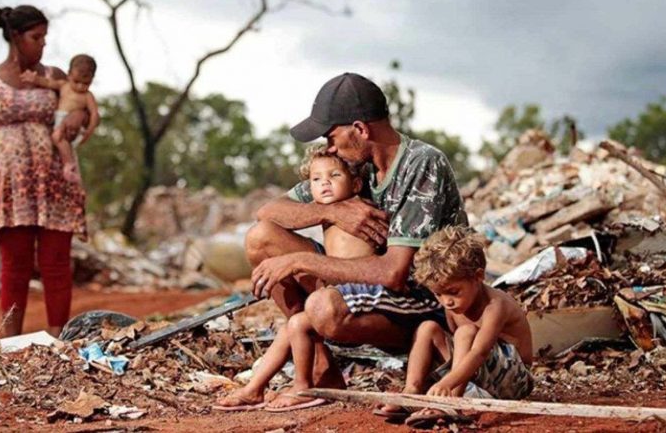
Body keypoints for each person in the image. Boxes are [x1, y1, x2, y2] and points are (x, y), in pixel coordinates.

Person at [245, 72, 468, 411]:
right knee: (260, 238)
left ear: (361, 130)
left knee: (322, 307)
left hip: (422, 302)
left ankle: (329, 338)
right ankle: (323, 370)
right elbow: (269, 211)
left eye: (332, 137)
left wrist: (300, 261)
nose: (329, 148)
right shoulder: (351, 166)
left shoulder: (423, 164)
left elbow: (395, 273)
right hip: (364, 290)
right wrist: (331, 213)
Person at [0, 5, 87, 338]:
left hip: (55, 183)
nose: (43, 44)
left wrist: (76, 118)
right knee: (15, 267)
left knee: (56, 263)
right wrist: (1, 159)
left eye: (45, 37)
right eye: (36, 37)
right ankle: (10, 346)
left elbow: (81, 105)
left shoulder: (55, 76)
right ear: (15, 37)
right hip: (11, 188)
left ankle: (59, 341)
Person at [214, 145, 374, 411]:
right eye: (316, 180)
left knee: (296, 324)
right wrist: (325, 213)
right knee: (292, 325)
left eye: (334, 176)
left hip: (357, 292)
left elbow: (359, 267)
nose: (325, 184)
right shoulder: (328, 203)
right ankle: (256, 387)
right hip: (334, 284)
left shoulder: (359, 208)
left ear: (356, 184)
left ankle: (300, 384)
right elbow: (266, 212)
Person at [384, 226, 533, 428]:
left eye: (453, 292)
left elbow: (479, 351)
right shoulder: (452, 305)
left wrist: (447, 383)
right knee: (428, 328)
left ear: (478, 276)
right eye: (438, 294)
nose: (447, 301)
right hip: (477, 376)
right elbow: (460, 350)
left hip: (514, 381)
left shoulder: (495, 306)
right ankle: (412, 394)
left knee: (466, 332)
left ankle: (450, 404)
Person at [21, 53, 100, 183]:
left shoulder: (87, 96)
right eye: (76, 81)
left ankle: (69, 165)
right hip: (60, 119)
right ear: (69, 75)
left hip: (72, 125)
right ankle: (68, 163)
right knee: (58, 139)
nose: (80, 87)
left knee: (57, 137)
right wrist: (34, 79)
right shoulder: (64, 85)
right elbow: (47, 82)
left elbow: (94, 114)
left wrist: (88, 131)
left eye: (86, 83)